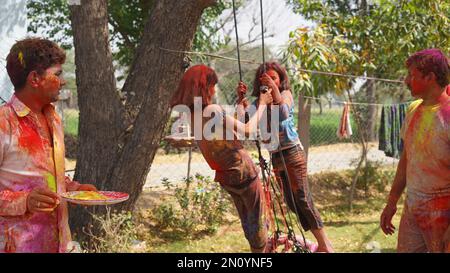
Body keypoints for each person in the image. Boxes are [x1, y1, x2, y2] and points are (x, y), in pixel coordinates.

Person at [0, 37, 97, 253]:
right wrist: (24, 201)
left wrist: (76, 189)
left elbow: (51, 176)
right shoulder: (4, 123)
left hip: (60, 244)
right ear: (35, 78)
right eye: (58, 74)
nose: (63, 81)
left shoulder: (54, 119)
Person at [170, 64, 273, 252]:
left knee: (249, 225)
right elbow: (248, 130)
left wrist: (240, 100)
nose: (215, 89)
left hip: (227, 178)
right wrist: (264, 104)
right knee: (259, 226)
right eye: (213, 85)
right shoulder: (213, 110)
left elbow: (231, 130)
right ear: (204, 87)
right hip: (244, 172)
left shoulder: (191, 114)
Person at [237, 61, 334, 252]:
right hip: (276, 156)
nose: (271, 81)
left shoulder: (286, 95)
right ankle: (321, 243)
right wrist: (240, 100)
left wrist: (273, 89)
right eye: (267, 79)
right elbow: (245, 122)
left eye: (274, 78)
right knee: (292, 202)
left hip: (291, 153)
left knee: (302, 199)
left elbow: (282, 113)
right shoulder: (259, 103)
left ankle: (325, 245)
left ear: (281, 80)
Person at [380, 49, 449, 253]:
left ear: (430, 77)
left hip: (443, 215)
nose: (406, 80)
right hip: (413, 210)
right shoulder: (413, 110)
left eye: (411, 75)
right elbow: (407, 159)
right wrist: (392, 202)